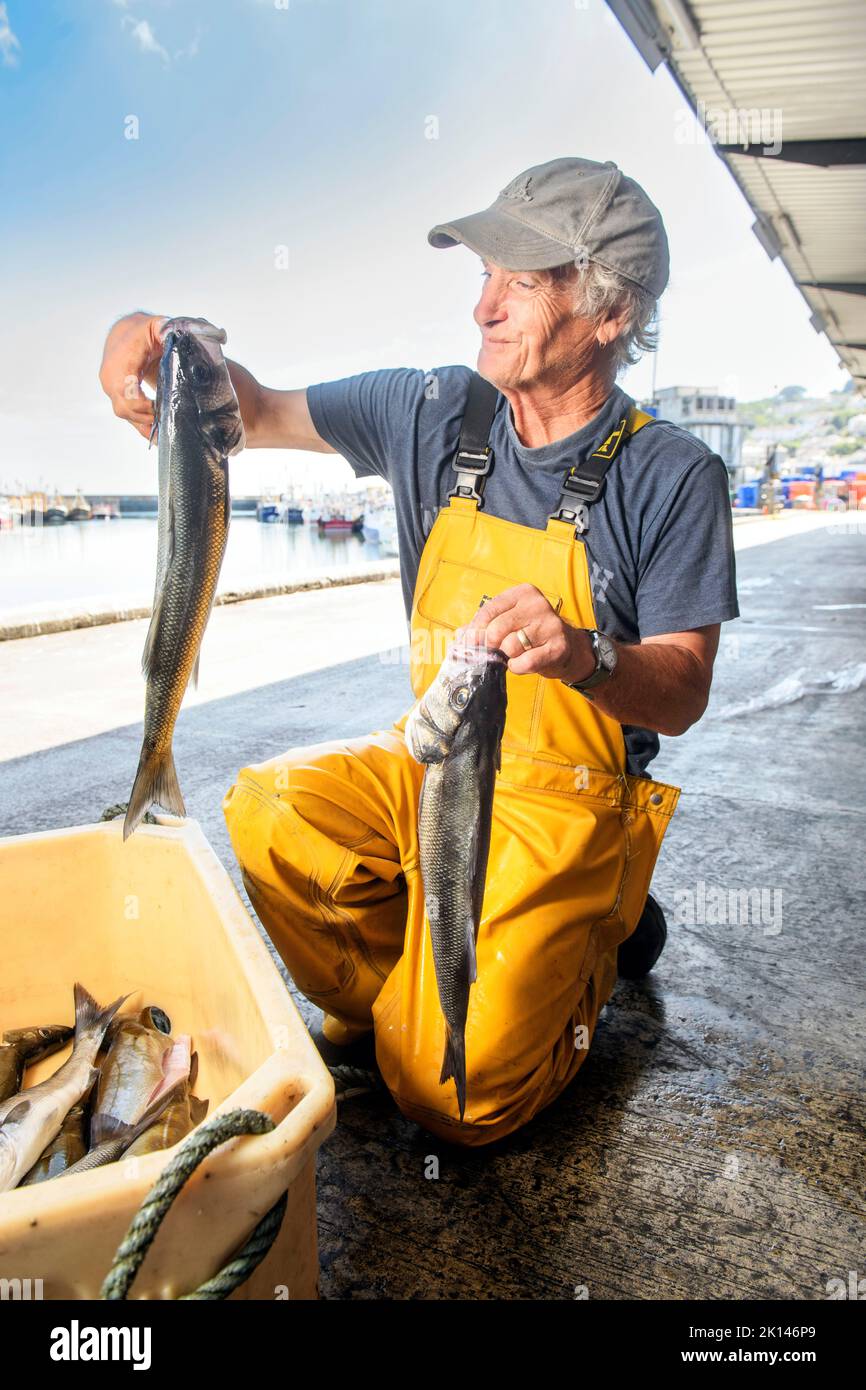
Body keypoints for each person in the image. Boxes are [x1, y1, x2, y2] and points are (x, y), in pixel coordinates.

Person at [100, 157, 739, 1146]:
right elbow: (250, 410)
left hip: (567, 799)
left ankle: (592, 939)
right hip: (433, 754)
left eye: (522, 282)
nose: (482, 304)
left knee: (458, 1096)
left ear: (608, 315)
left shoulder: (672, 472)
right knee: (269, 811)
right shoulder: (429, 407)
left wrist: (583, 653)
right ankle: (414, 1002)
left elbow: (683, 689)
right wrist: (146, 337)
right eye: (483, 274)